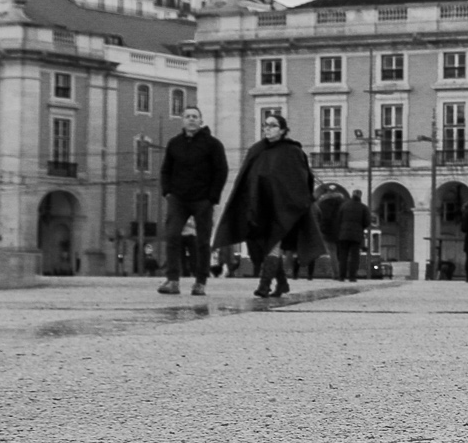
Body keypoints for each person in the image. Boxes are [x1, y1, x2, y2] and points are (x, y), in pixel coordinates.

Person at [213, 113, 325, 300]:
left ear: (282, 130)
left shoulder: (293, 152)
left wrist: (296, 201)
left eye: (273, 125)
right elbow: (246, 178)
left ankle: (264, 286)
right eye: (265, 125)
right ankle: (282, 283)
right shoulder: (256, 150)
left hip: (283, 209)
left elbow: (302, 179)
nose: (267, 129)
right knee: (263, 246)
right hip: (259, 206)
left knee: (273, 245)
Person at [157, 106, 228, 296]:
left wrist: (212, 197)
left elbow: (221, 171)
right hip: (178, 198)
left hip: (202, 199)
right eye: (187, 116)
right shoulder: (174, 143)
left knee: (203, 241)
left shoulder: (213, 144)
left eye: (195, 116)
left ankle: (200, 282)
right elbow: (165, 170)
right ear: (182, 120)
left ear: (201, 120)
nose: (191, 120)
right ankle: (172, 280)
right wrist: (167, 192)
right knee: (172, 236)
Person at [333, 191, 371, 281]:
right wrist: (360, 227)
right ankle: (352, 277)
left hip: (343, 234)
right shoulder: (363, 207)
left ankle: (342, 276)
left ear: (352, 195)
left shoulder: (344, 206)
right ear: (360, 196)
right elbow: (367, 222)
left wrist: (341, 230)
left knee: (343, 256)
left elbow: (338, 219)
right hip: (356, 235)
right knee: (354, 256)